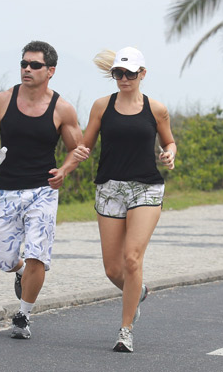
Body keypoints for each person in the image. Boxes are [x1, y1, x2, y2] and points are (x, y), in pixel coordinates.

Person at [0, 40, 84, 340]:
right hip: (5, 190)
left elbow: (78, 148)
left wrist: (64, 171)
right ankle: (20, 271)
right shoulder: (2, 100)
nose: (27, 69)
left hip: (42, 190)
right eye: (24, 63)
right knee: (6, 259)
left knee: (39, 253)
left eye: (34, 65)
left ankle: (23, 315)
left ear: (50, 71)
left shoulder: (62, 108)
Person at [73, 46, 176, 353]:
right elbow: (85, 143)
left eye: (130, 74)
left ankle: (125, 330)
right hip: (109, 188)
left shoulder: (156, 109)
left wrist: (170, 154)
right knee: (113, 270)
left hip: (146, 189)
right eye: (118, 73)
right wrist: (78, 153)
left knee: (132, 258)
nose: (123, 78)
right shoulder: (102, 106)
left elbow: (168, 140)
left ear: (142, 74)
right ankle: (138, 292)